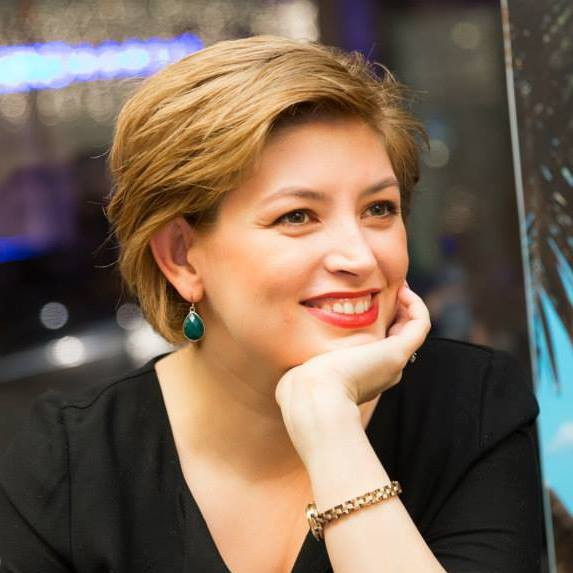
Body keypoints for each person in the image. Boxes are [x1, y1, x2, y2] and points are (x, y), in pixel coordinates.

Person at [0, 36, 542, 572]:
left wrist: (328, 424)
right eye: (297, 216)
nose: (359, 257)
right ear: (182, 257)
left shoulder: (473, 404)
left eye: (379, 208)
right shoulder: (67, 459)